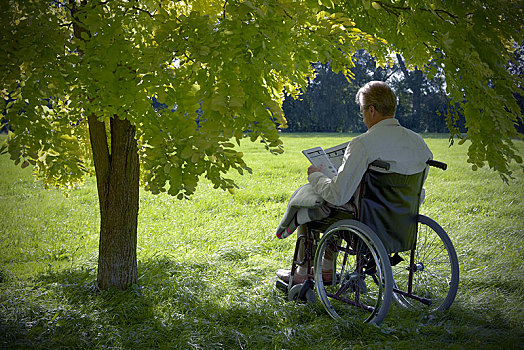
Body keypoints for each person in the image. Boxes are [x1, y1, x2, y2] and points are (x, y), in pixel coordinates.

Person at [276, 80, 433, 284]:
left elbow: (338, 194)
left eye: (362, 111)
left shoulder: (363, 144)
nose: (363, 117)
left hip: (365, 221)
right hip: (401, 220)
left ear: (372, 110)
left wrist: (316, 176)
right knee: (338, 202)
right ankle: (325, 269)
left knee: (311, 201)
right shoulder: (418, 142)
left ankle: (303, 271)